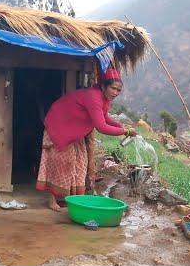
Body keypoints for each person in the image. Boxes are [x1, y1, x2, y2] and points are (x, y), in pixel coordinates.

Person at [35, 67, 137, 211]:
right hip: (59, 125)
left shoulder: (104, 99)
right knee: (61, 162)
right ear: (103, 86)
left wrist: (120, 125)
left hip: (73, 130)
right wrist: (125, 131)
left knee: (80, 162)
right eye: (113, 88)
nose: (115, 93)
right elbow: (101, 126)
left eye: (118, 90)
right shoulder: (94, 97)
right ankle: (52, 200)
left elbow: (105, 117)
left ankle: (69, 198)